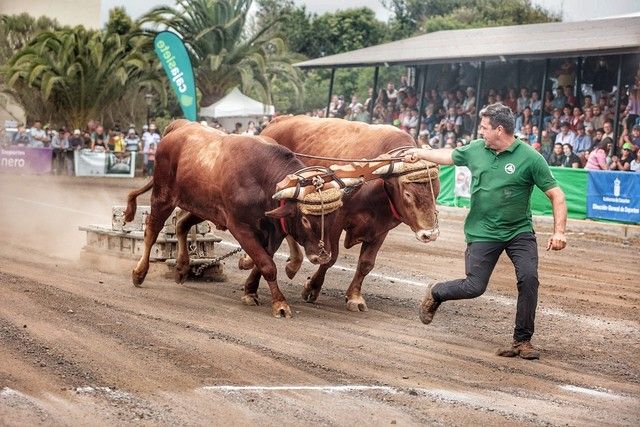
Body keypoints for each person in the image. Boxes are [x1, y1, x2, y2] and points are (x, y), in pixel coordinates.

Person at [404, 102, 567, 360]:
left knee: (529, 279)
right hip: (482, 231)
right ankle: (437, 292)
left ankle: (522, 341)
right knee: (474, 286)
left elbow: (556, 195)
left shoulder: (531, 158)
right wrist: (419, 153)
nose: (481, 132)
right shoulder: (476, 149)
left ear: (499, 129)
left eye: (484, 127)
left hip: (519, 231)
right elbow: (447, 157)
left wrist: (560, 232)